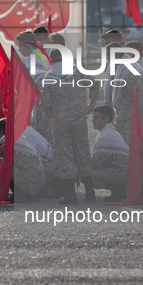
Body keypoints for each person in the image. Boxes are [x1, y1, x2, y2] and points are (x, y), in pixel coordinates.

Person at [40, 49, 96, 204]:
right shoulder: (78, 71)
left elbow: (45, 103)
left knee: (64, 155)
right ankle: (90, 193)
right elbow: (95, 83)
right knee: (83, 152)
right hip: (79, 118)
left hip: (59, 121)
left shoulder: (49, 76)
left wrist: (49, 116)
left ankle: (71, 195)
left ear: (51, 61)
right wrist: (92, 102)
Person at [105, 41, 143, 144]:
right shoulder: (123, 67)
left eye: (109, 56)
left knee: (126, 149)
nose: (108, 60)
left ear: (116, 55)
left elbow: (138, 97)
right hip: (125, 118)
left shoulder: (129, 71)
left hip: (128, 120)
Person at [91, 105, 129, 202]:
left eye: (96, 117)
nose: (92, 120)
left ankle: (119, 189)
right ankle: (119, 190)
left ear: (105, 119)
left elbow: (94, 163)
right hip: (123, 172)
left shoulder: (106, 136)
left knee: (86, 174)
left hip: (122, 174)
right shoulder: (109, 131)